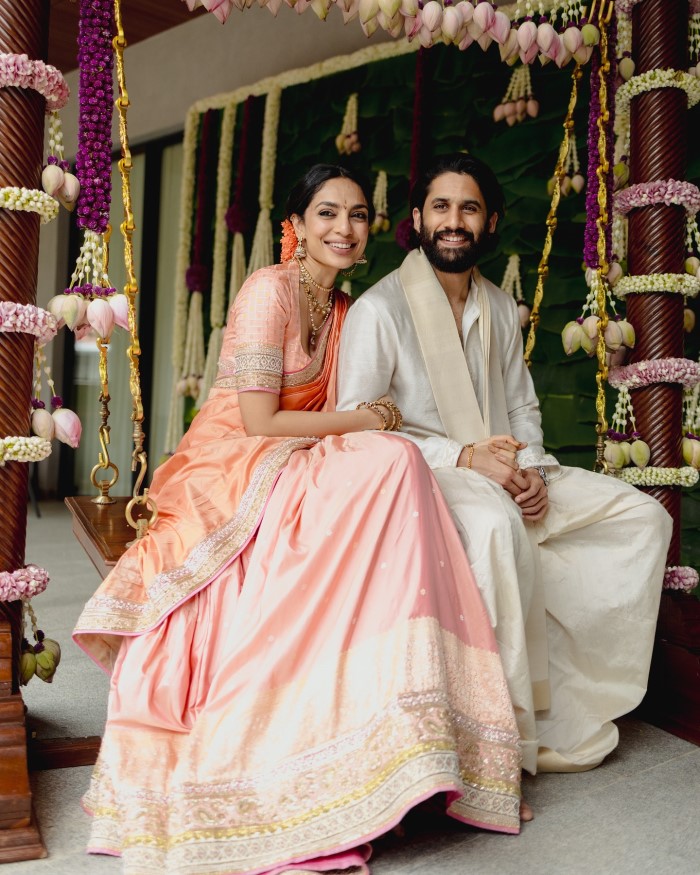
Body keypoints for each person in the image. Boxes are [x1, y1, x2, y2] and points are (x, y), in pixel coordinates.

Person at [73, 164, 523, 875]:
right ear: (297, 226)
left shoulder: (344, 308)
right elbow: (258, 420)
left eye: (357, 215)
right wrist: (371, 420)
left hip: (302, 452)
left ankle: (394, 721)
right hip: (234, 458)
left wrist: (376, 428)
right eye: (327, 214)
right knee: (392, 456)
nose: (344, 228)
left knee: (394, 465)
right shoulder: (269, 290)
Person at [336, 152, 673, 777]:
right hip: (427, 476)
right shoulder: (379, 311)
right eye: (440, 207)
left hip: (510, 469)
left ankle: (568, 702)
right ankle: (497, 736)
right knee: (495, 528)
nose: (453, 221)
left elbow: (520, 405)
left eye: (469, 208)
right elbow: (358, 426)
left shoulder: (497, 306)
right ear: (418, 219)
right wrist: (463, 456)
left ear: (489, 222)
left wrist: (535, 472)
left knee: (639, 518)